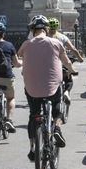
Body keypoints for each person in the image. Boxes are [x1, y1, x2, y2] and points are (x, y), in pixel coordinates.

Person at [18, 15, 73, 161]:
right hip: (53, 87)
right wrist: (72, 70)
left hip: (32, 88)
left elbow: (19, 57)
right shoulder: (55, 43)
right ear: (47, 29)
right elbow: (66, 62)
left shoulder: (26, 44)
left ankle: (32, 148)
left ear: (32, 29)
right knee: (57, 110)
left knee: (33, 115)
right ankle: (56, 128)